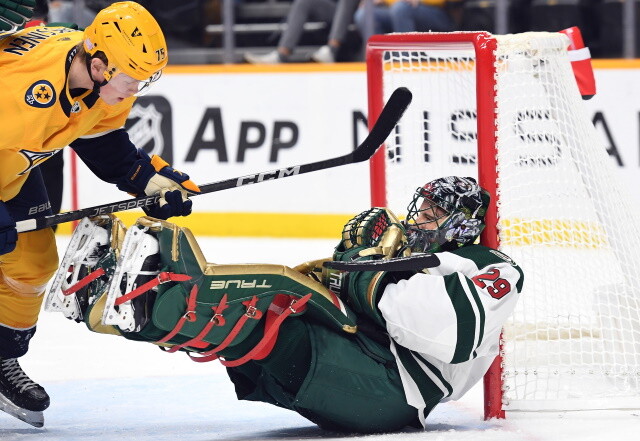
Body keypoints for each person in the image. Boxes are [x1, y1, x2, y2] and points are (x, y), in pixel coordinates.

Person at [45, 175, 523, 432]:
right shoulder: (413, 254)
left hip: (393, 394)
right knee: (268, 306)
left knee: (271, 304)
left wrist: (359, 262)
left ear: (462, 225)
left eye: (435, 212)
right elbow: (357, 292)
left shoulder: (490, 267)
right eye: (421, 206)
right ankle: (124, 308)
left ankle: (146, 298)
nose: (419, 218)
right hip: (365, 369)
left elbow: (445, 330)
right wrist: (350, 262)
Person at [0, 1, 200, 428]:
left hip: (12, 171)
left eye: (142, 81)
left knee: (33, 265)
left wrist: (148, 179)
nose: (133, 91)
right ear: (100, 62)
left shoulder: (101, 81)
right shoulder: (21, 89)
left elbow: (102, 139)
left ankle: (0, 360)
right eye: (130, 79)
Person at [244, 0, 359, 64]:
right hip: (339, 9)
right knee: (303, 2)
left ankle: (332, 51)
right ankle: (281, 55)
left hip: (367, 10)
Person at [354, 0, 455, 44]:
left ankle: (405, 61)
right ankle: (380, 64)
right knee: (364, 14)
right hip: (397, 9)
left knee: (401, 9)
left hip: (438, 13)